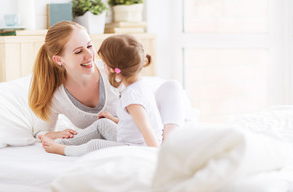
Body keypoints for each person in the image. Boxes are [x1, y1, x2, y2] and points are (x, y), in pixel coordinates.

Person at [29, 21, 184, 143]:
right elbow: (39, 132)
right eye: (78, 51)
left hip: (151, 125)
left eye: (89, 45)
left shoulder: (110, 70)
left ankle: (169, 143)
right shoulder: (57, 97)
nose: (89, 54)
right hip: (128, 137)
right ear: (58, 60)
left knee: (172, 87)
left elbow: (141, 102)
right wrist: (54, 134)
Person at [40, 34, 163, 156]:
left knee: (95, 145)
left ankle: (61, 149)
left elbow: (145, 127)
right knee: (103, 124)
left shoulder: (132, 96)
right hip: (134, 140)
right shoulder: (140, 87)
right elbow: (135, 122)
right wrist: (114, 120)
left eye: (104, 62)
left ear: (111, 68)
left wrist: (156, 155)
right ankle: (62, 142)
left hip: (136, 147)